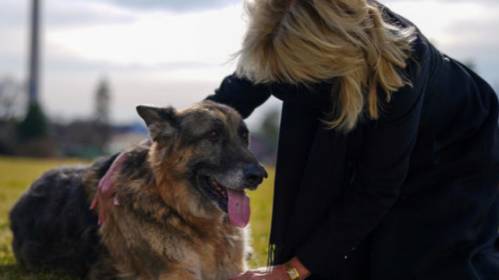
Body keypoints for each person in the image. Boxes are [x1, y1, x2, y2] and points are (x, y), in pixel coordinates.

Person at [93, 0, 499, 279]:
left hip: (457, 146)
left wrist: (292, 270)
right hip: (372, 124)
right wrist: (142, 153)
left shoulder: (400, 68)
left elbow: (376, 187)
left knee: (424, 263)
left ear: (328, 58)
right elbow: (226, 101)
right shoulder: (282, 27)